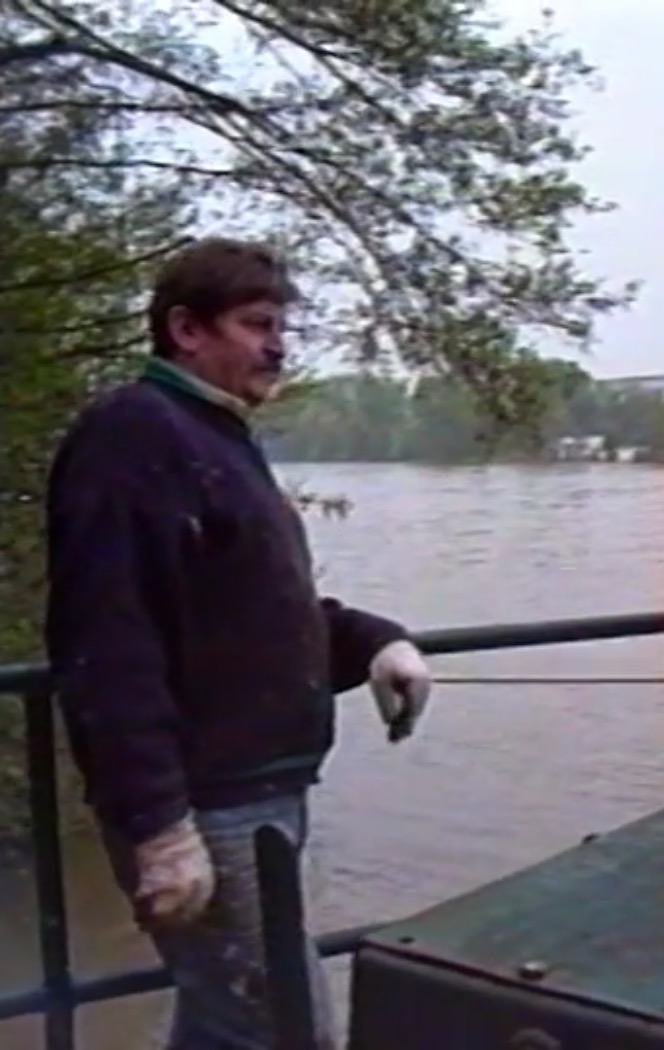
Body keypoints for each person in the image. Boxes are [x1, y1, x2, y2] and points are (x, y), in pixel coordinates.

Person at [44, 237, 434, 1049]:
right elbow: (107, 642)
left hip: (253, 793)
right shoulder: (132, 434)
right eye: (257, 324)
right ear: (186, 329)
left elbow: (250, 611)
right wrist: (158, 823)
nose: (278, 346)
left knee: (226, 1024)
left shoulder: (211, 433)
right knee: (285, 1030)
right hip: (212, 802)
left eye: (281, 326)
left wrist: (375, 644)